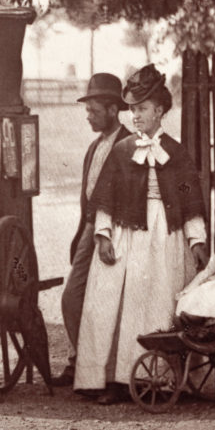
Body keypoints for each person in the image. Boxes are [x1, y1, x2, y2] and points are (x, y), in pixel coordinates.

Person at [74, 65, 209, 404]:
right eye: (132, 109)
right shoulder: (122, 151)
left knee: (157, 301)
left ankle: (159, 378)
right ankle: (112, 379)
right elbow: (105, 196)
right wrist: (103, 235)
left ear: (160, 111)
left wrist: (196, 241)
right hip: (126, 234)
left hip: (164, 237)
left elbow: (190, 199)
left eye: (143, 109)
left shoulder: (176, 153)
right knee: (110, 301)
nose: (136, 116)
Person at [52, 73, 130, 386]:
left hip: (113, 228)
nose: (89, 117)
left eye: (94, 111)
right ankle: (78, 362)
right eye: (87, 111)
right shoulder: (95, 147)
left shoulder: (127, 145)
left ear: (113, 110)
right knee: (73, 298)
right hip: (90, 227)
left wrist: (106, 232)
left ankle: (101, 372)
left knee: (106, 301)